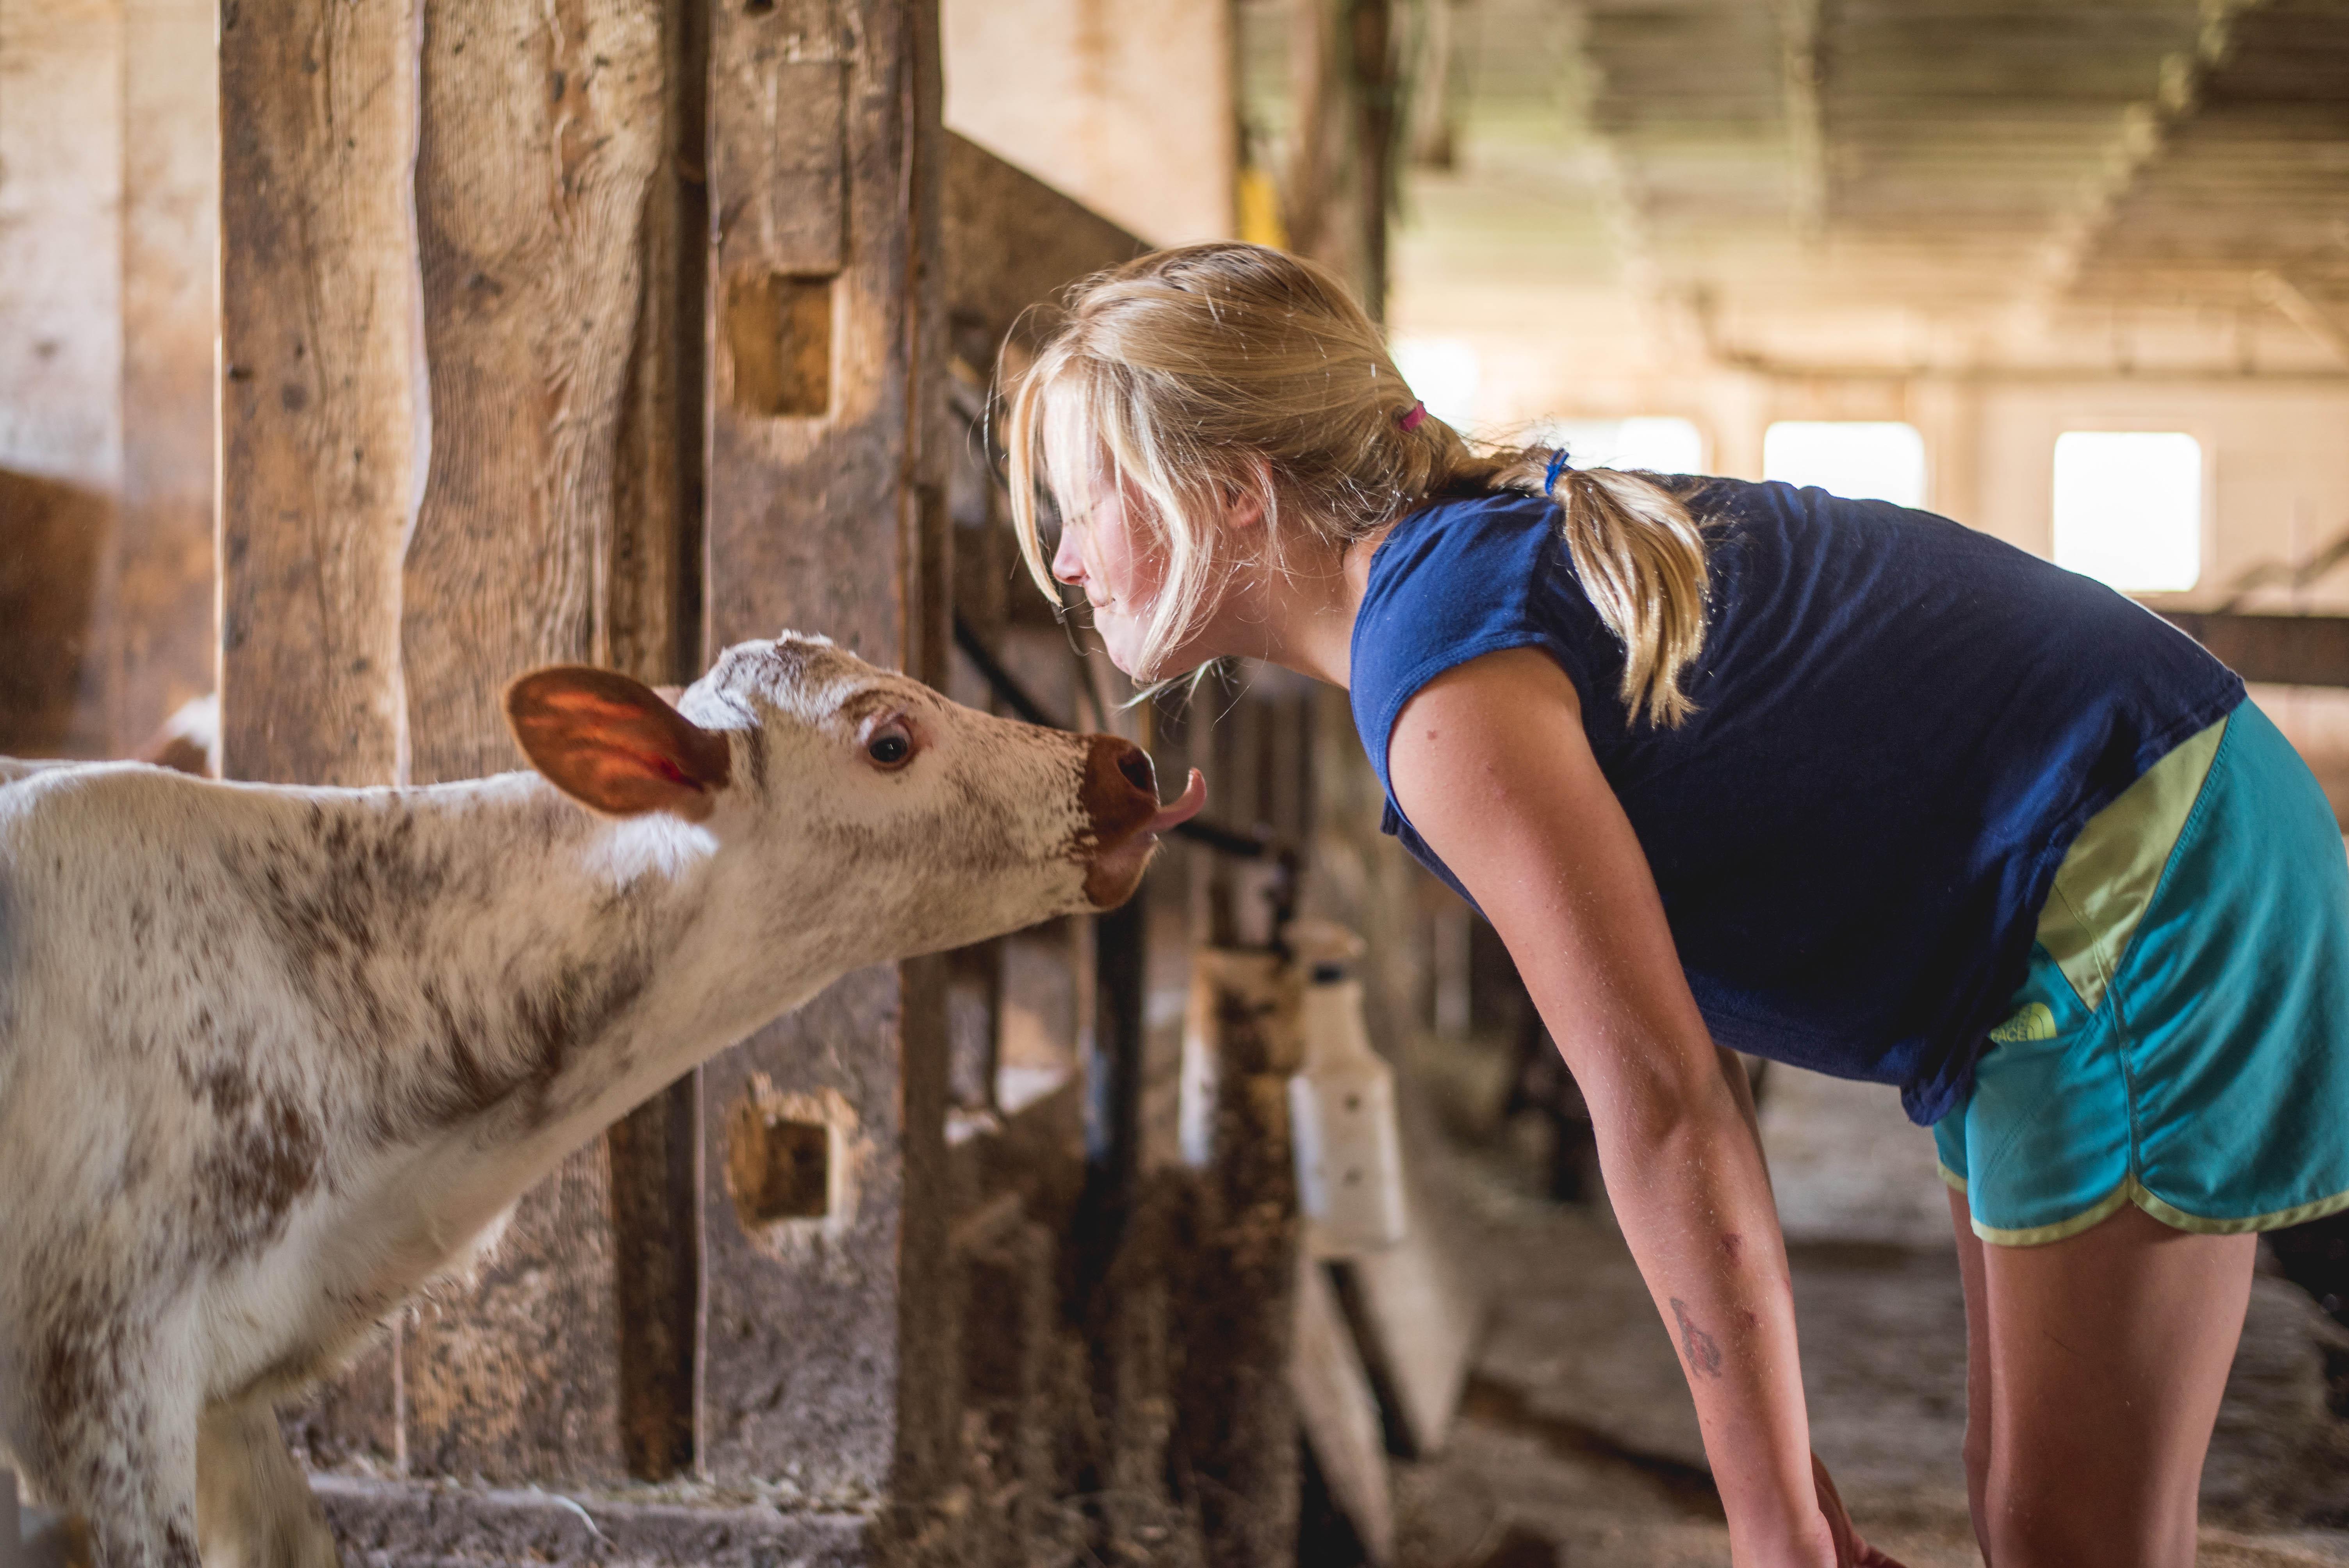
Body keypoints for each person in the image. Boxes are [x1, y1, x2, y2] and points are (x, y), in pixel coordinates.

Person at [1001, 241, 2349, 1568]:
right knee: (2027, 1511)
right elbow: (1681, 1089)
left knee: (2073, 1537)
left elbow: (1661, 1106)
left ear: (1235, 495)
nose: (1063, 560)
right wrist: (1784, 1491)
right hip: (2094, 861)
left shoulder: (1437, 667)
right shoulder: (1449, 587)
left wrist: (1768, 1522)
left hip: (2137, 877)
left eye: (1082, 504)